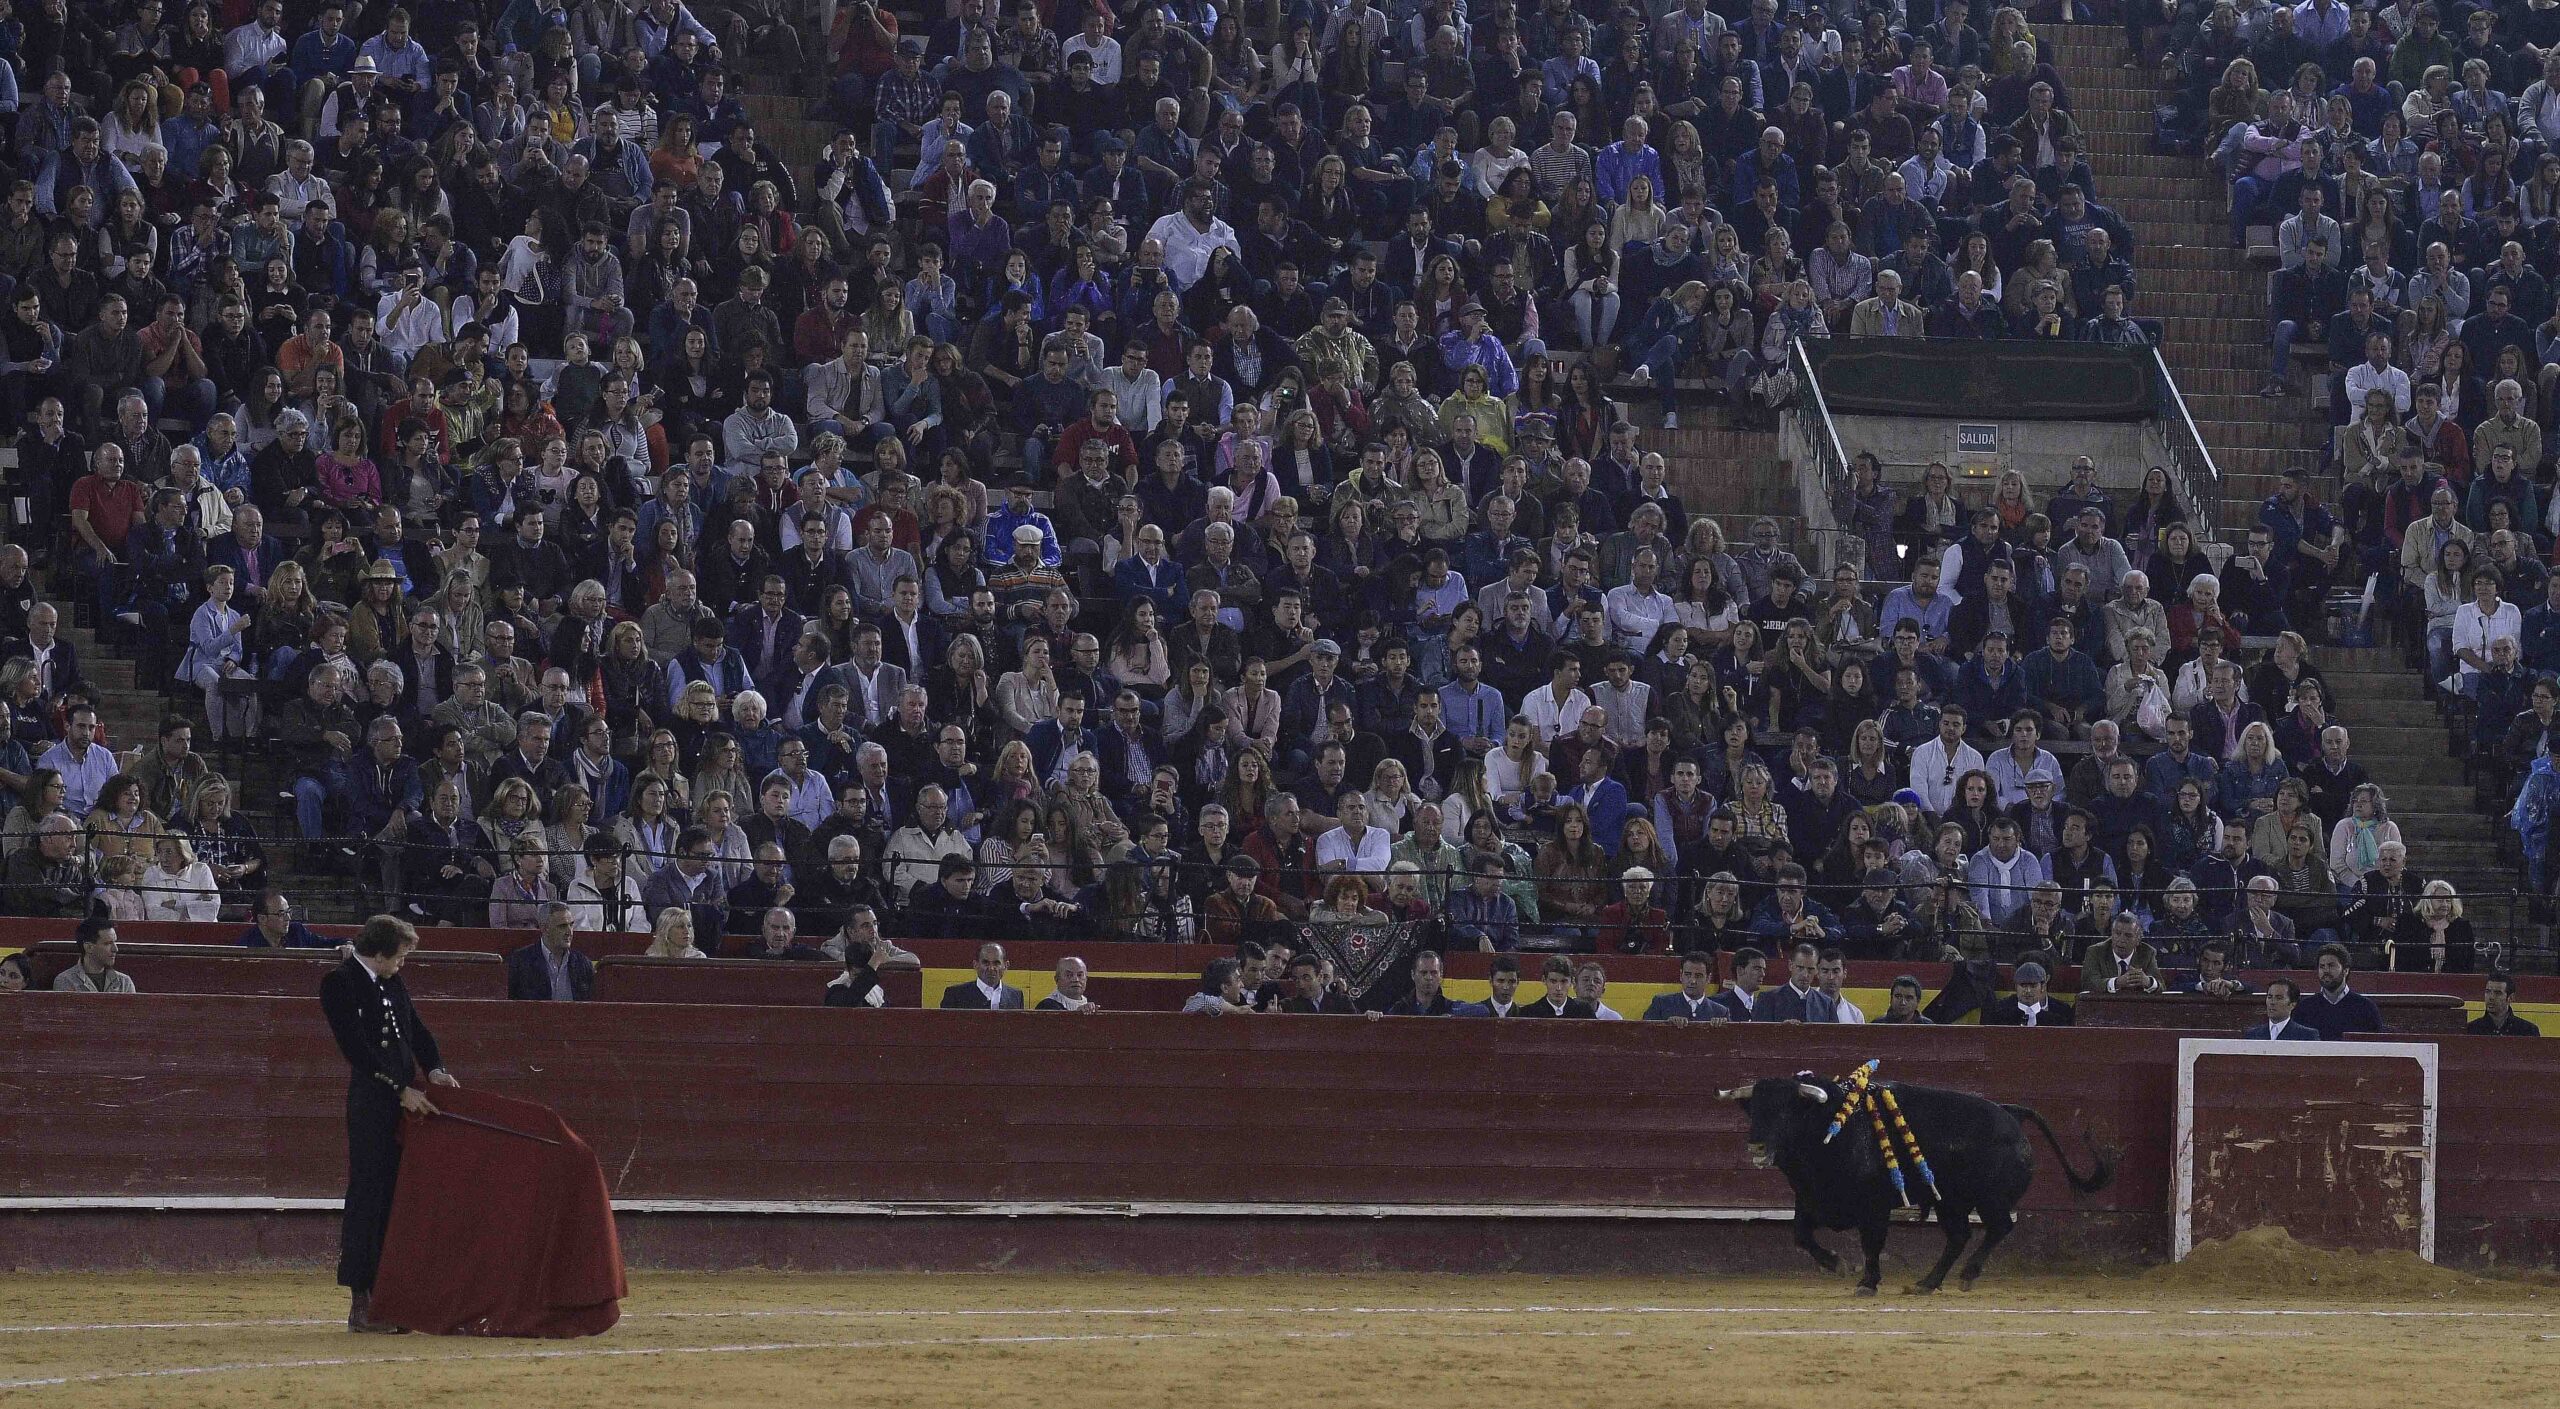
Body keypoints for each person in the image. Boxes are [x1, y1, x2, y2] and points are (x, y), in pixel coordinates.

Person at [319, 914, 459, 1334]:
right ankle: (362, 1300)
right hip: (373, 1103)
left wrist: (433, 1067)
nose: (402, 965)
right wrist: (400, 1089)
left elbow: (413, 1027)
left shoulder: (389, 980)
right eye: (398, 958)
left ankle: (390, 1296)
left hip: (405, 1099)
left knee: (397, 1196)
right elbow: (357, 1050)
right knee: (369, 1196)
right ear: (378, 954)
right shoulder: (339, 983)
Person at [2293, 942, 2385, 1038]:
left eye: (2331, 965)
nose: (2326, 971)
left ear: (2345, 970)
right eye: (2322, 966)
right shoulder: (2305, 1007)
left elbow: (2376, 1046)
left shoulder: (2366, 1007)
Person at [504, 901, 594, 1001]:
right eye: (562, 926)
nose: (569, 932)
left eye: (571, 925)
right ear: (545, 928)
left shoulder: (583, 963)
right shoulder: (520, 962)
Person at [52, 917, 136, 993]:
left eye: (114, 942)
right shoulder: (66, 981)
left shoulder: (124, 982)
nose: (115, 949)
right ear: (89, 947)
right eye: (107, 944)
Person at [1983, 960, 2075, 1026]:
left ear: (2042, 987)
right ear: (2016, 987)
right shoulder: (1999, 1014)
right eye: (2023, 985)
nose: (2028, 991)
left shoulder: (2057, 1019)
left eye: (2033, 986)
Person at [938, 941, 1027, 1009]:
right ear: (975, 965)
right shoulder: (954, 995)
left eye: (996, 963)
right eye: (986, 963)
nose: (991, 968)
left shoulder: (1016, 996)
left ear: (1006, 965)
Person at [2245, 977, 2324, 1040]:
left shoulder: (2307, 1036)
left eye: (2279, 998)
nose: (2272, 1002)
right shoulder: (2252, 1034)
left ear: (2292, 1004)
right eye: (2269, 997)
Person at [2467, 971, 2541, 1036]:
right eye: (2488, 992)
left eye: (2497, 993)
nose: (2491, 997)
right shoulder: (2470, 1030)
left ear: (2510, 998)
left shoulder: (2528, 1031)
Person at [1036, 956, 1101, 1011]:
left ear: (1086, 979)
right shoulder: (1046, 1006)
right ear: (1057, 979)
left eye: (1080, 975)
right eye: (1069, 975)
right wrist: (1076, 1016)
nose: (1076, 980)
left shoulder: (1095, 1005)